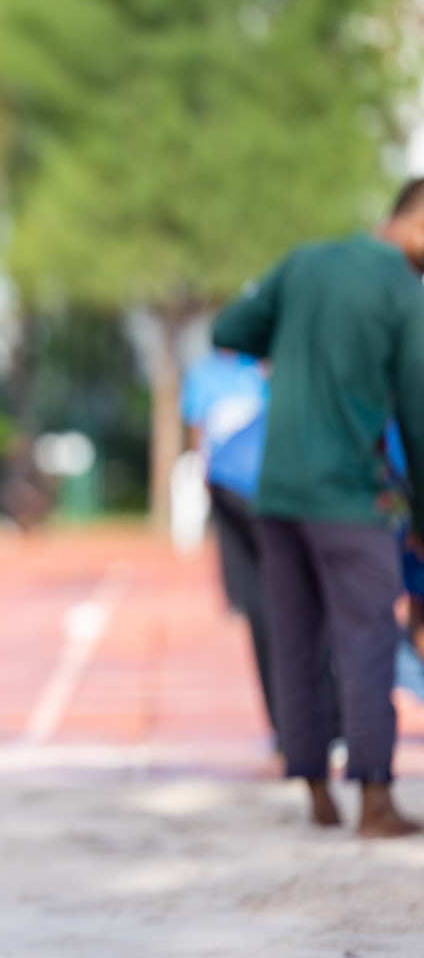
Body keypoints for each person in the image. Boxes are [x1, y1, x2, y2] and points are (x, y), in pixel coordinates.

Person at [212, 178, 424, 837]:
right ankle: (375, 800)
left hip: (275, 496)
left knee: (296, 641)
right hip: (349, 495)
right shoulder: (403, 290)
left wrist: (305, 353)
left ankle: (314, 791)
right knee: (365, 641)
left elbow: (229, 329)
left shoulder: (305, 262)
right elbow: (419, 415)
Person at [179, 350, 281, 739]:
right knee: (286, 604)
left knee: (267, 604)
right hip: (256, 481)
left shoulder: (253, 370)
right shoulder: (250, 372)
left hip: (234, 475)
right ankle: (303, 727)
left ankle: (289, 728)